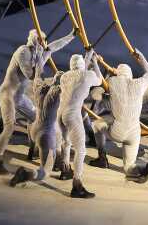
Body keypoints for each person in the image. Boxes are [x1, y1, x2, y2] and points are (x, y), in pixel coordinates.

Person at [0, 29, 77, 174]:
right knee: (9, 126)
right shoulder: (23, 52)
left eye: (44, 41)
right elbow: (30, 75)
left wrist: (71, 36)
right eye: (40, 40)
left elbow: (55, 46)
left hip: (19, 97)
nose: (43, 44)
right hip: (8, 94)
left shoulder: (39, 53)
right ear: (35, 41)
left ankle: (45, 153)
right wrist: (39, 59)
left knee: (40, 118)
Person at [89, 50, 148, 182]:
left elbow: (99, 80)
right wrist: (141, 57)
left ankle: (102, 157)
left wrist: (95, 62)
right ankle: (133, 171)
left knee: (95, 124)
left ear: (117, 73)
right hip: (134, 133)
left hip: (117, 132)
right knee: (129, 164)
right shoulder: (139, 83)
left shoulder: (113, 82)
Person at [56, 51, 103, 197]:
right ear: (83, 65)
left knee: (66, 142)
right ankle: (77, 185)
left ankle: (65, 170)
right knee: (81, 150)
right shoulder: (87, 75)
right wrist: (95, 62)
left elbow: (79, 72)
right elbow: (100, 80)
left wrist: (87, 57)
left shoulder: (65, 76)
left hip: (60, 114)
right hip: (72, 114)